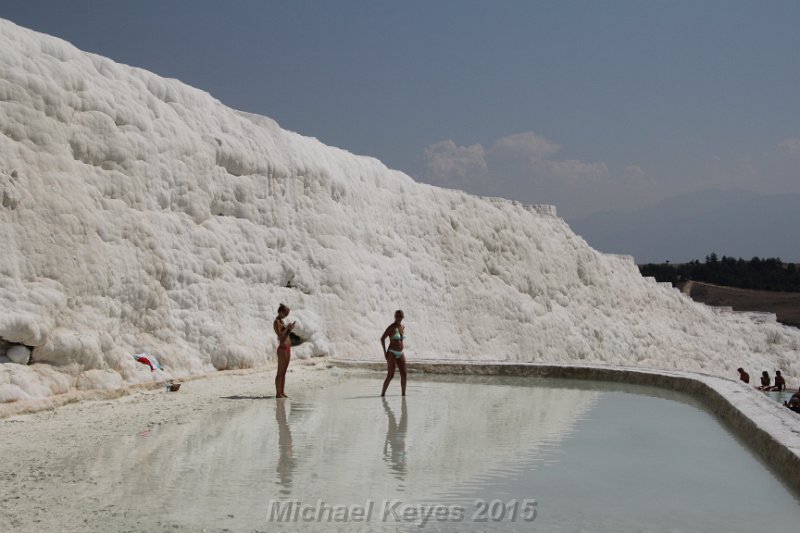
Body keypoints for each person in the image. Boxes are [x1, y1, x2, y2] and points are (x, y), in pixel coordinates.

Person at [380, 310, 407, 397]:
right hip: (392, 352)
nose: (398, 318)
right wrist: (385, 353)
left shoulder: (402, 327)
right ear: (394, 316)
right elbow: (382, 338)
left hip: (401, 352)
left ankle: (403, 395)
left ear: (402, 317)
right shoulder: (391, 327)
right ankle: (383, 394)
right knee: (390, 375)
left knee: (404, 374)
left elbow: (400, 340)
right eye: (397, 316)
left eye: (400, 316)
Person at [273, 303, 296, 399]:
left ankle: (282, 391)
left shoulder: (282, 321)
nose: (286, 315)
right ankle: (278, 393)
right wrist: (287, 328)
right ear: (280, 312)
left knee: (284, 372)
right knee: (280, 372)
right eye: (285, 313)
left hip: (287, 348)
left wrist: (289, 329)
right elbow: (280, 337)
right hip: (282, 349)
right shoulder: (277, 322)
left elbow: (285, 335)